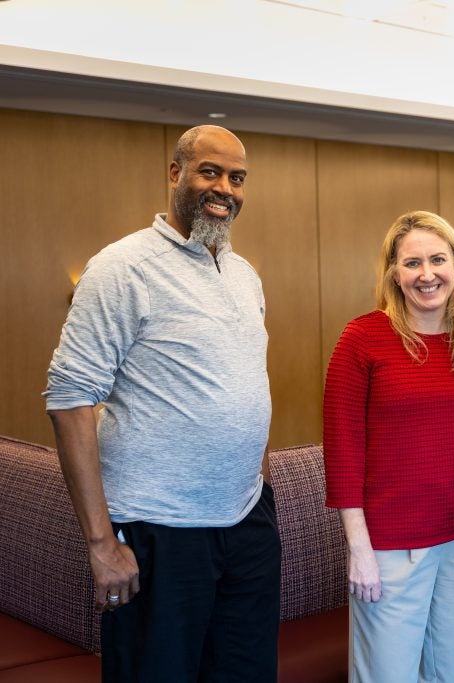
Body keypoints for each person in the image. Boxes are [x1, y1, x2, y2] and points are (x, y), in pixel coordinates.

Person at [44, 125, 280, 681]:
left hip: (246, 523)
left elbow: (244, 383)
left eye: (237, 177)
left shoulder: (244, 274)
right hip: (158, 530)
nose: (225, 188)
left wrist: (261, 486)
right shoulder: (123, 267)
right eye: (210, 172)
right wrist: (101, 543)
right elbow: (69, 398)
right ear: (175, 175)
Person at [323, 211, 454, 683]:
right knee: (388, 674)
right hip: (389, 544)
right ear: (394, 274)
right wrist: (358, 546)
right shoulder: (361, 339)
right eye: (412, 263)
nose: (427, 274)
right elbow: (342, 449)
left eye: (438, 259)